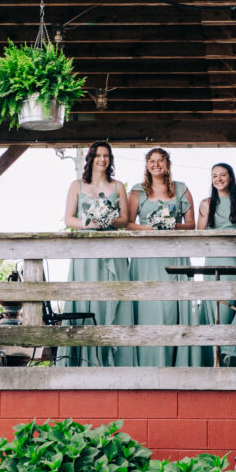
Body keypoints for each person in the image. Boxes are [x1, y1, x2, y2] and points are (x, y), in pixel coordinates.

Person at [57, 141, 132, 367]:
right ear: (91, 159)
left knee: (114, 297)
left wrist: (108, 219)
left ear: (110, 159)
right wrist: (88, 222)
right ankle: (83, 359)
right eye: (98, 155)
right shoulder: (77, 185)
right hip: (86, 254)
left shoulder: (118, 186)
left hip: (113, 250)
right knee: (86, 299)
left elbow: (125, 220)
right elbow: (69, 218)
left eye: (106, 155)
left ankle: (116, 360)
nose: (102, 159)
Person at [127, 148, 196, 366]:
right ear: (146, 165)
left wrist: (170, 226)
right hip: (146, 257)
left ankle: (175, 360)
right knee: (148, 306)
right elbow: (129, 223)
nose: (156, 164)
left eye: (160, 160)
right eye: (152, 161)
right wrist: (150, 229)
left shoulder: (181, 189)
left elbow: (191, 224)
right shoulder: (137, 191)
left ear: (168, 163)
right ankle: (146, 360)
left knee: (170, 307)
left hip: (174, 254)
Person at [197, 163, 236, 366]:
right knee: (216, 312)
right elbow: (200, 236)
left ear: (230, 177)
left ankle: (230, 355)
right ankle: (215, 359)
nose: (219, 179)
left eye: (223, 175)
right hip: (213, 261)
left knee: (233, 309)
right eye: (214, 176)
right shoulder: (206, 204)